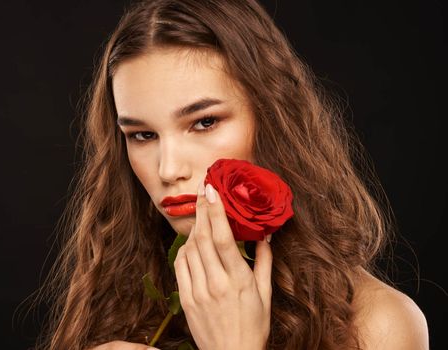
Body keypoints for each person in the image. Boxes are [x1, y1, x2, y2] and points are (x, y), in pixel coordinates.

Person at [35, 0, 429, 349]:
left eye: (204, 122)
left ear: (273, 119)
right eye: (142, 135)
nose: (168, 169)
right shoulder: (115, 303)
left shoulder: (377, 326)